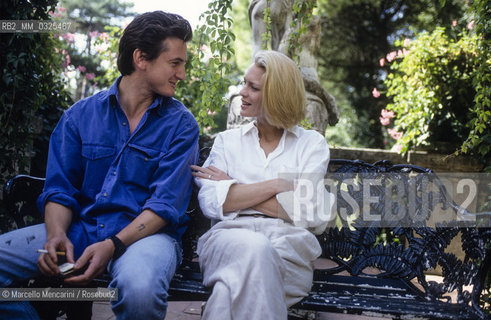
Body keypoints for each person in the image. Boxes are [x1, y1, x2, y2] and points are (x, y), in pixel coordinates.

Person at [0, 11, 199, 319]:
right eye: (175, 63)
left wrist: (113, 244)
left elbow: (165, 205)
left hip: (146, 239)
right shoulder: (79, 117)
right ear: (141, 58)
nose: (182, 74)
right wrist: (56, 235)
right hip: (80, 229)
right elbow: (59, 189)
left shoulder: (181, 126)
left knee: (140, 290)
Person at [191, 50, 334, 319]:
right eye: (245, 83)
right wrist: (277, 184)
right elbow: (212, 201)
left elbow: (306, 212)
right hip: (228, 242)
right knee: (256, 249)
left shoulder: (311, 145)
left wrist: (233, 188)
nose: (242, 92)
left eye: (253, 87)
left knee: (225, 297)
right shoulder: (227, 142)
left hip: (288, 251)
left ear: (276, 95)